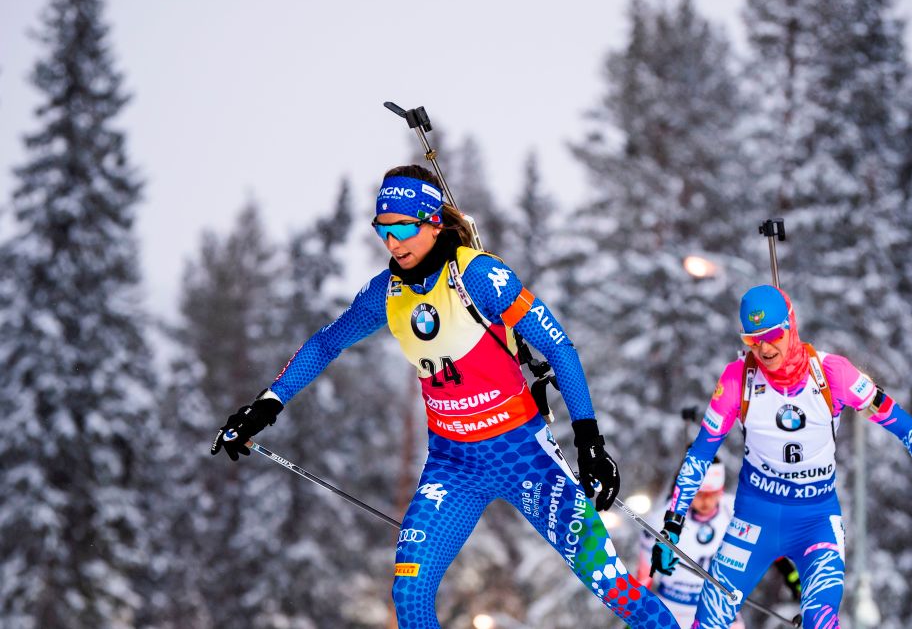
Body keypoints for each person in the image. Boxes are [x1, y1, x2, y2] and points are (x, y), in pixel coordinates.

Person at [211, 164, 682, 628]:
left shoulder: (478, 275)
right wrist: (265, 405)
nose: (393, 243)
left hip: (523, 456)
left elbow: (558, 346)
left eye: (403, 229)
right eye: (383, 230)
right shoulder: (387, 292)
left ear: (433, 223)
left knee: (614, 588)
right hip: (453, 465)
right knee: (409, 593)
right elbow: (326, 342)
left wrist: (590, 442)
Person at [651, 285, 912, 629]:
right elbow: (700, 455)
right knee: (708, 623)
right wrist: (672, 524)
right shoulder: (737, 380)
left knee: (821, 622)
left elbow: (908, 429)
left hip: (816, 521)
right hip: (754, 521)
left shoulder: (833, 374)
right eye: (753, 340)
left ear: (790, 325)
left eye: (772, 335)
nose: (765, 349)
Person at [638, 458, 800, 628]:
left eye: (712, 493)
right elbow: (644, 573)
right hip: (672, 606)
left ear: (720, 490)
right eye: (700, 494)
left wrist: (791, 575)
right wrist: (636, 608)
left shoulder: (734, 511)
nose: (706, 501)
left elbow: (765, 545)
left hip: (717, 605)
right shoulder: (663, 520)